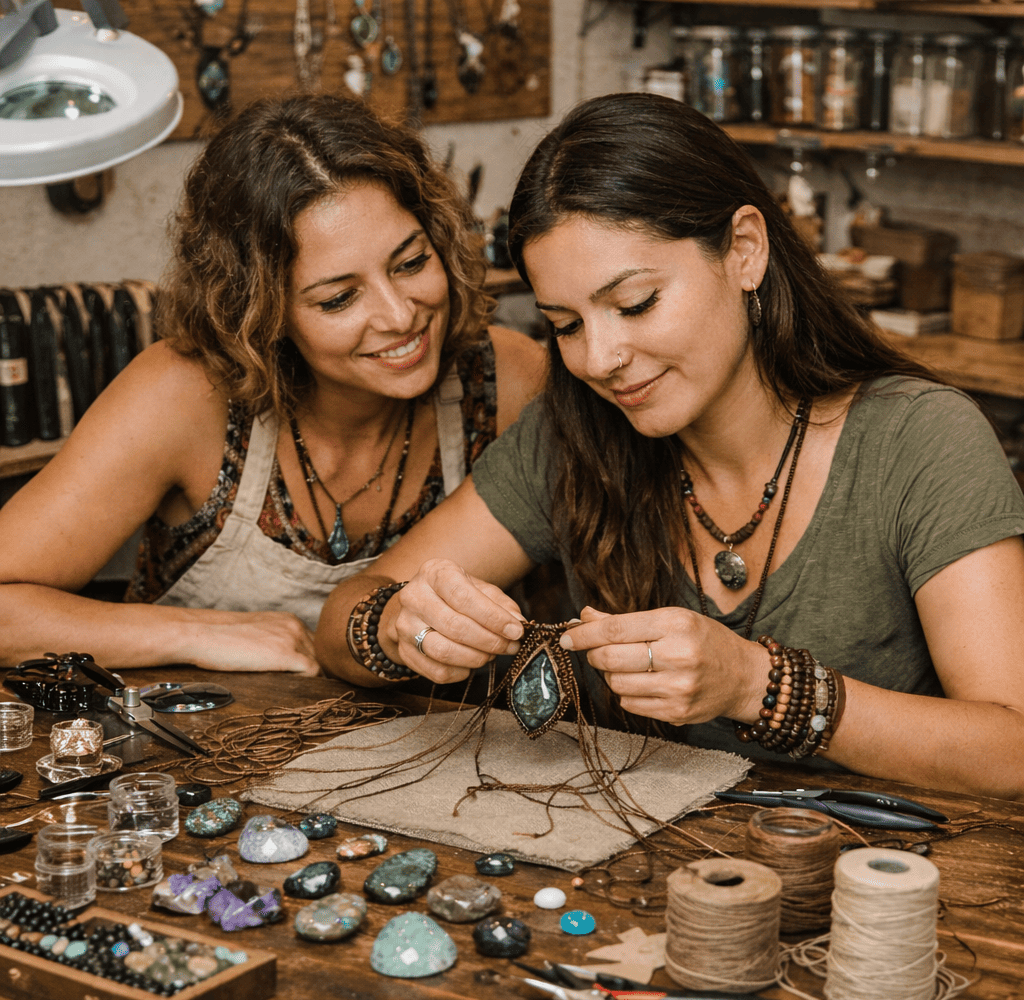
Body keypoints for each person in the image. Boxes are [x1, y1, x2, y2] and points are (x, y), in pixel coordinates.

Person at [315, 92, 1024, 800]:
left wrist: (758, 687)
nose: (599, 357)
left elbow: (1011, 749)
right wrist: (397, 628)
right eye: (565, 325)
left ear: (744, 251)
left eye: (634, 305)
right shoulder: (574, 435)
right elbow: (343, 619)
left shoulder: (919, 440)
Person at [0, 94, 545, 674]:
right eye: (339, 298)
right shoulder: (184, 395)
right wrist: (190, 632)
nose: (399, 315)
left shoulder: (507, 379)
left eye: (410, 263)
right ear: (261, 312)